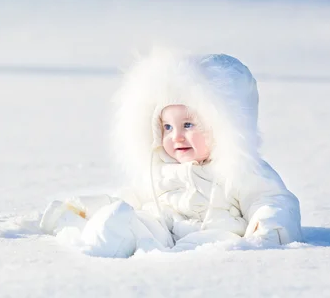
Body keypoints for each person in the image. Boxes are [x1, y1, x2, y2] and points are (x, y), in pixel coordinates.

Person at [40, 48, 303, 257]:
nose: (175, 136)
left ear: (225, 127)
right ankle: (97, 246)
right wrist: (87, 209)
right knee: (125, 218)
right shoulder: (160, 169)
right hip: (162, 232)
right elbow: (132, 197)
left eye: (188, 125)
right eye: (167, 127)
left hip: (215, 235)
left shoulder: (240, 169)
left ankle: (179, 265)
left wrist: (267, 229)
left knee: (216, 241)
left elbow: (272, 201)